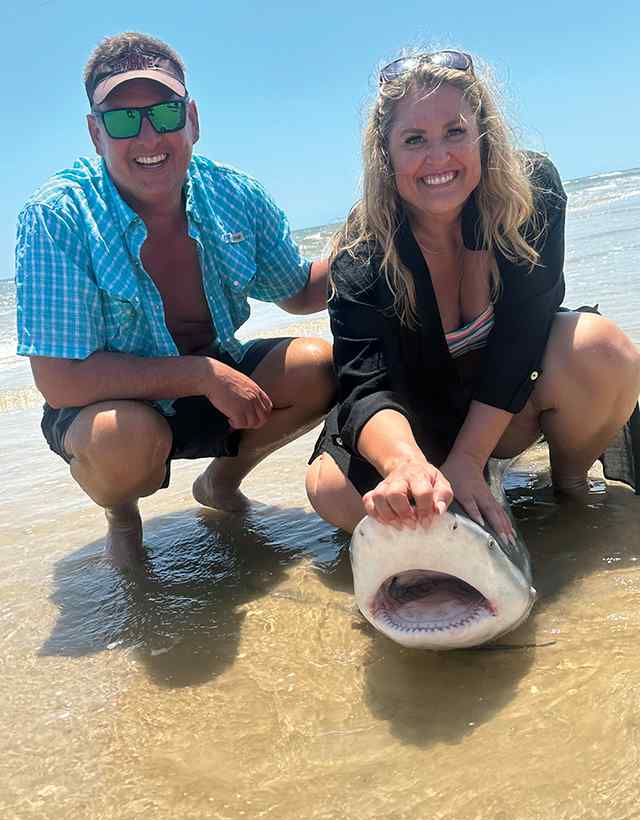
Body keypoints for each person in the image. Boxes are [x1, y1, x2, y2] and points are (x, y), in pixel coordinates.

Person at [15, 32, 334, 568]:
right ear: (96, 134)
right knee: (122, 438)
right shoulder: (57, 216)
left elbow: (299, 292)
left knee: (319, 367)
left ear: (193, 120)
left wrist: (373, 236)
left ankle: (219, 483)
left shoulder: (236, 196)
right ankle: (123, 514)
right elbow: (60, 380)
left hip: (212, 379)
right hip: (111, 410)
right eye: (121, 119)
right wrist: (202, 375)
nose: (147, 136)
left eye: (163, 112)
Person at [306, 49, 640, 542]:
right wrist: (405, 467)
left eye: (455, 132)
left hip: (508, 401)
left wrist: (468, 458)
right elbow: (364, 383)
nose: (437, 157)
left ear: (483, 134)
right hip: (419, 416)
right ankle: (444, 494)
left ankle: (570, 489)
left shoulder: (531, 195)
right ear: (385, 153)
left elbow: (526, 333)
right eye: (414, 139)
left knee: (600, 348)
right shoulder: (361, 251)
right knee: (332, 491)